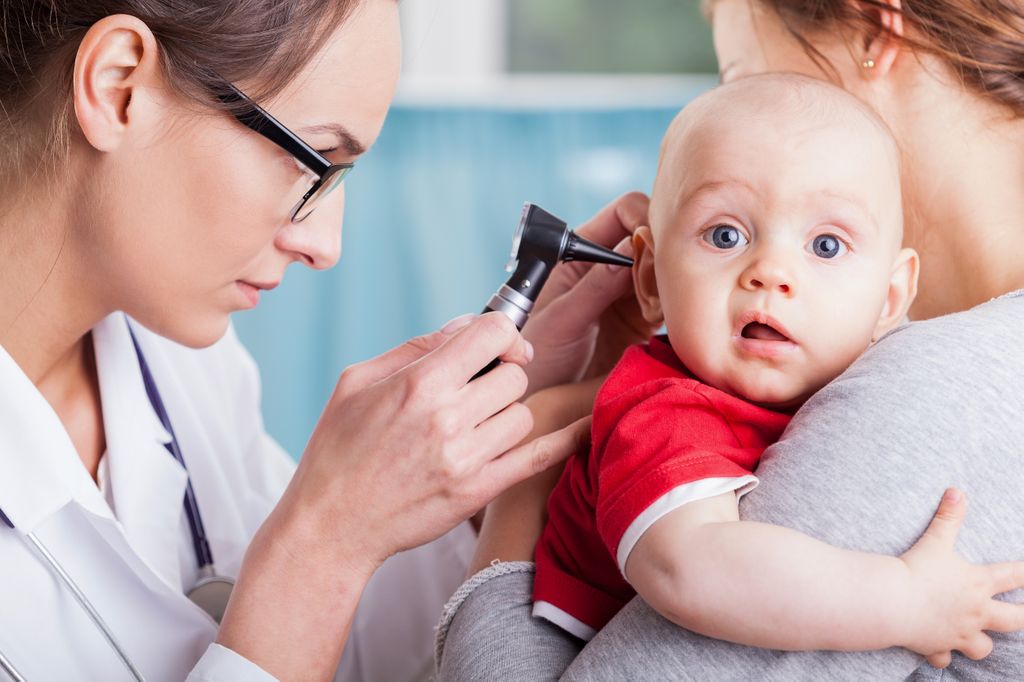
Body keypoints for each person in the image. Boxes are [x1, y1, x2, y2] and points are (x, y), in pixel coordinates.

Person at [0, 0, 650, 679]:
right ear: (118, 86)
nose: (324, 245)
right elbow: (300, 585)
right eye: (315, 163)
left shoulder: (186, 365)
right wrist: (322, 542)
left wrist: (503, 415)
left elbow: (335, 647)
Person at [435, 0, 1024, 678]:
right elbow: (693, 565)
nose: (770, 273)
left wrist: (529, 472)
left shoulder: (934, 387)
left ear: (873, 28)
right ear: (651, 274)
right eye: (725, 234)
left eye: (826, 244)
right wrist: (904, 600)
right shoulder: (675, 410)